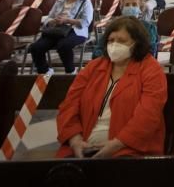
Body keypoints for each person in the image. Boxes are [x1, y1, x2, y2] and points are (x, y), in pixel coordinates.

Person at [56, 17, 167, 158]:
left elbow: (148, 114)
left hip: (130, 149)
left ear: (136, 44)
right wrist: (74, 140)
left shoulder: (151, 69)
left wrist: (117, 144)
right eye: (111, 40)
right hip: (82, 147)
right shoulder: (93, 67)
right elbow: (69, 105)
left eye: (121, 41)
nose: (114, 45)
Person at [29, 0, 94, 75]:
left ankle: (70, 71)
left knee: (63, 45)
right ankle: (44, 70)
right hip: (57, 30)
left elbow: (86, 22)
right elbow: (48, 18)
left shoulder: (86, 2)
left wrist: (67, 20)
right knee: (36, 47)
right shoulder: (60, 1)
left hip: (76, 31)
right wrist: (53, 21)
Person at [93, 0, 159, 58]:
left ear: (140, 9)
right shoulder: (113, 26)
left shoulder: (148, 27)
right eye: (127, 5)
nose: (130, 7)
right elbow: (99, 49)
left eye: (134, 5)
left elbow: (150, 50)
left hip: (137, 62)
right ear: (122, 8)